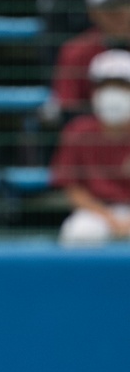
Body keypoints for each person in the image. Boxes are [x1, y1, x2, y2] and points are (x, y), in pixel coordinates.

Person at [52, 48, 130, 240]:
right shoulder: (78, 131)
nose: (112, 93)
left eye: (121, 86)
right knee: (79, 233)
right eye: (104, 85)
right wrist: (109, 218)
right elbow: (73, 189)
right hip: (95, 212)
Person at [51, 0, 130, 115]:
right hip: (93, 133)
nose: (119, 13)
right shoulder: (75, 52)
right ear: (92, 12)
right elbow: (68, 106)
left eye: (125, 4)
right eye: (110, 6)